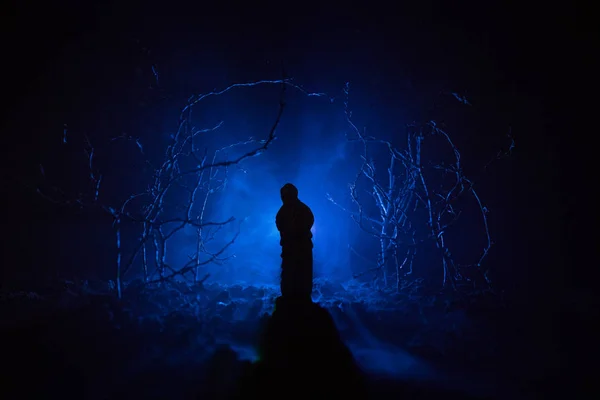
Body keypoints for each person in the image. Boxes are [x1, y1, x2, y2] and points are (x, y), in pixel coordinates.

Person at [275, 183, 314, 303]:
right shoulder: (301, 209)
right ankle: (294, 299)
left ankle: (297, 300)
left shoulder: (292, 210)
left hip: (297, 248)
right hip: (295, 249)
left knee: (298, 273)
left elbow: (281, 226)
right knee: (295, 273)